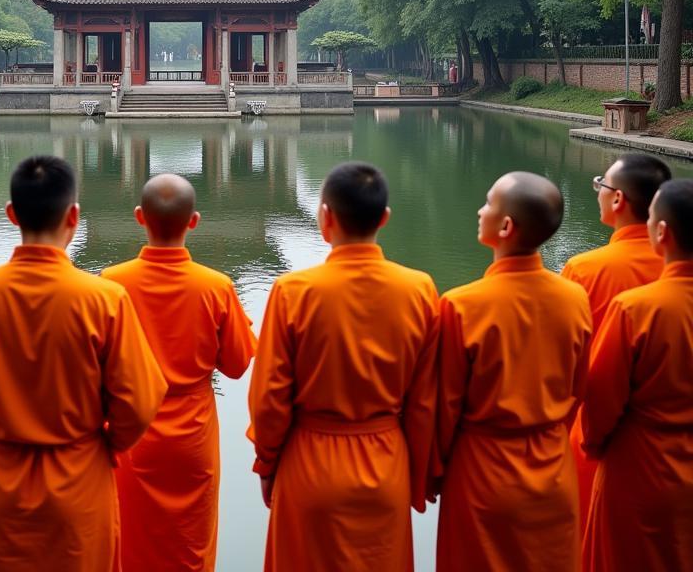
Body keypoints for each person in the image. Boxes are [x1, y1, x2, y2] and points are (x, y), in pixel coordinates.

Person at [0, 156, 167, 572]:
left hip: (2, 478)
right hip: (79, 476)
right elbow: (138, 401)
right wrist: (104, 445)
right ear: (75, 216)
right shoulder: (104, 298)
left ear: (11, 214)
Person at [248, 162, 439, 572]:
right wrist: (419, 474)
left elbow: (268, 398)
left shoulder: (293, 291)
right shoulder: (419, 289)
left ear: (325, 217)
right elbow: (426, 401)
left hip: (309, 463)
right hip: (386, 463)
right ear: (384, 218)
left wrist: (267, 463)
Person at [434, 172, 592, 572]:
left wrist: (431, 472)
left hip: (482, 472)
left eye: (488, 203)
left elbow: (443, 407)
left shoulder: (461, 305)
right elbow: (578, 389)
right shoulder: (574, 298)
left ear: (505, 227)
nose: (479, 209)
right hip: (553, 467)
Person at [102, 173, 257, 572]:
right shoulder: (216, 287)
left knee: (128, 539)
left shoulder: (111, 284)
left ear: (139, 217)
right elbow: (238, 366)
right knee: (190, 544)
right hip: (192, 434)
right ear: (194, 221)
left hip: (131, 433)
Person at [581, 178, 693, 572]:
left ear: (661, 233)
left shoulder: (637, 309)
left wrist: (594, 446)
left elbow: (601, 399)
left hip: (640, 464)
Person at [562, 153, 670, 528]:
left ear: (618, 200)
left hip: (601, 436)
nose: (598, 193)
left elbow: (567, 362)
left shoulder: (585, 270)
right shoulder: (675, 268)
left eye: (600, 186)